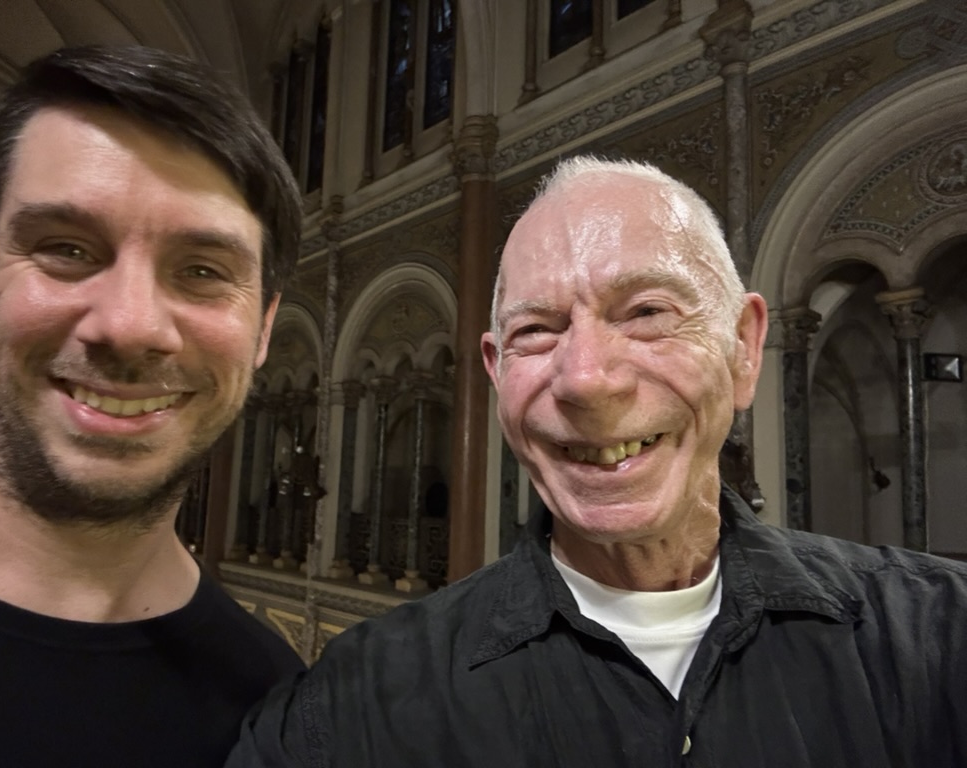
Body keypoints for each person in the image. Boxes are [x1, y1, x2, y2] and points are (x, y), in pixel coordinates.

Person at [228, 157, 967, 767]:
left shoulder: (938, 640)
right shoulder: (354, 706)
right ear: (495, 373)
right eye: (538, 331)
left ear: (744, 347)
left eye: (646, 312)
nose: (585, 379)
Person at [0, 45, 304, 767]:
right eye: (68, 250)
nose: (132, 325)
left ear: (262, 329)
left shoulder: (273, 716)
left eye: (202, 271)